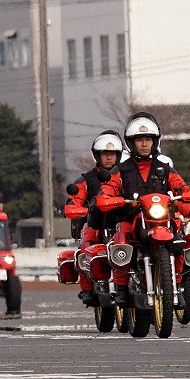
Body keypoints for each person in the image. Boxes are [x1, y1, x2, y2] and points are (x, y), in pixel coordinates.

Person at [96, 112, 190, 307]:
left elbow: (181, 188)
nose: (144, 144)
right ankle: (122, 289)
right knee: (121, 239)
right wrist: (107, 197)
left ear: (155, 142)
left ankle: (178, 285)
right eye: (139, 139)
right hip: (131, 217)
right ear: (131, 143)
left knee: (179, 240)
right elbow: (107, 189)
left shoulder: (165, 168)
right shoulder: (121, 170)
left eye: (148, 139)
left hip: (160, 219)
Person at [64, 129, 124, 305]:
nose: (109, 158)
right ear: (97, 156)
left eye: (113, 154)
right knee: (86, 242)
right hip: (95, 222)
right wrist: (76, 208)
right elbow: (74, 199)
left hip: (119, 221)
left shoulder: (125, 174)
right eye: (105, 154)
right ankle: (87, 288)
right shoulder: (86, 180)